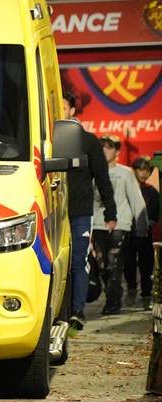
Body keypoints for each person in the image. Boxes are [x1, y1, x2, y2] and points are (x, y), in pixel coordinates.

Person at [62, 91, 116, 332]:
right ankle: (58, 313)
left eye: (63, 107)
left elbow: (103, 179)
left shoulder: (89, 141)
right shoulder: (45, 140)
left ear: (72, 110)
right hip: (52, 213)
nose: (59, 111)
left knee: (77, 261)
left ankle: (77, 312)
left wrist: (110, 212)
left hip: (80, 213)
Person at [92, 134, 146, 316]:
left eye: (109, 147)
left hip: (120, 225)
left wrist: (142, 227)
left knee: (114, 264)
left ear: (117, 150)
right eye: (102, 147)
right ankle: (113, 295)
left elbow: (136, 200)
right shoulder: (94, 172)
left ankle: (113, 302)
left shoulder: (126, 173)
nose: (105, 151)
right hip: (98, 224)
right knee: (102, 265)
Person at [123, 156, 159, 309]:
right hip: (129, 231)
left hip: (145, 233)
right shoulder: (127, 187)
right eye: (141, 170)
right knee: (128, 263)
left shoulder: (151, 191)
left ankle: (146, 295)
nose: (144, 173)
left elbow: (155, 211)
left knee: (147, 265)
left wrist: (149, 221)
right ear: (134, 170)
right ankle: (131, 289)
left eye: (147, 170)